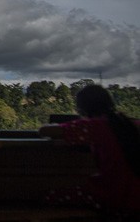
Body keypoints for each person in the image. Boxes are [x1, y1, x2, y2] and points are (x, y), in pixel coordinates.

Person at [38, 84, 140, 213]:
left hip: (115, 196)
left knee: (47, 197)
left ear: (82, 109)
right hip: (134, 196)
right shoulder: (132, 124)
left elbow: (45, 131)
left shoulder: (93, 127)